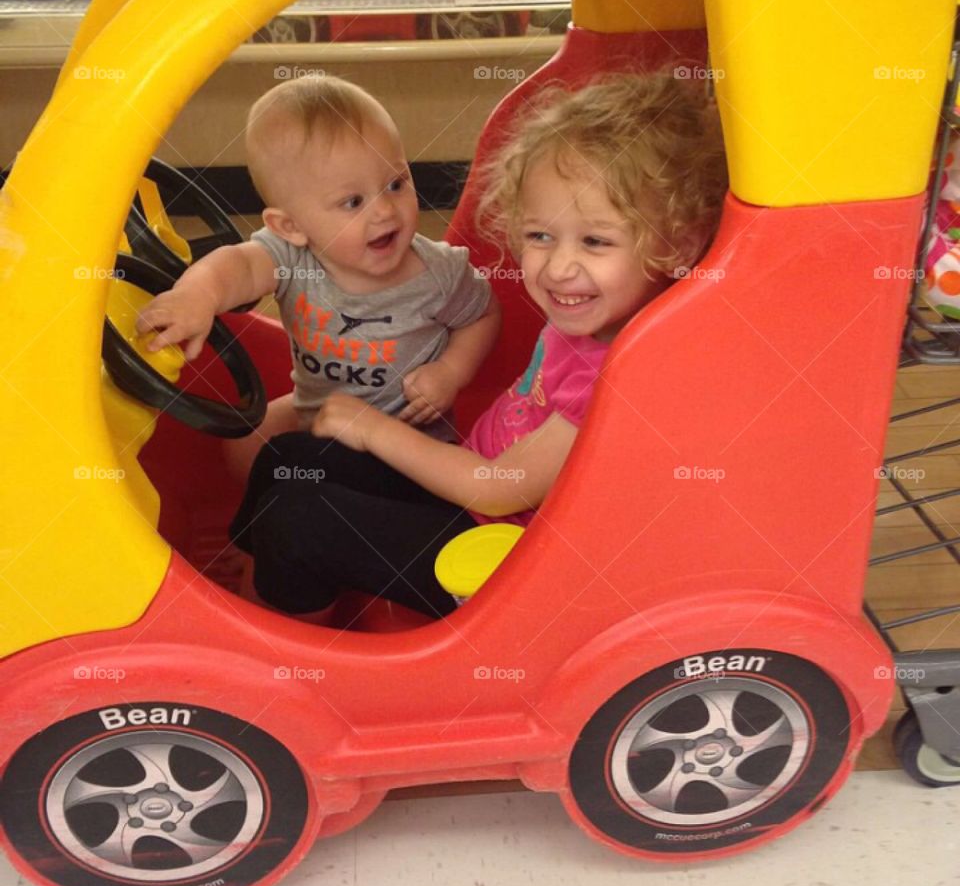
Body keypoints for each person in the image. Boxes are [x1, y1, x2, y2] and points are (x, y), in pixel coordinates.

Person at [228, 70, 729, 621]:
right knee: (290, 458)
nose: (560, 267)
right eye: (541, 236)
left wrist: (372, 429)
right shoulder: (593, 315)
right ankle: (272, 588)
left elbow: (496, 491)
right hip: (470, 497)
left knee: (300, 520)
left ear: (676, 242)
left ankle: (288, 649)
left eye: (595, 241)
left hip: (507, 560)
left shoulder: (624, 369)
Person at [135, 75, 501, 478]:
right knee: (245, 440)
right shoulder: (290, 257)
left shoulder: (440, 273)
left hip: (409, 442)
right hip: (316, 417)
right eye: (353, 202)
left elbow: (482, 314)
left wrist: (450, 372)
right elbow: (236, 266)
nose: (384, 212)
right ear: (290, 226)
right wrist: (197, 295)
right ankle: (261, 524)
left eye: (396, 184)